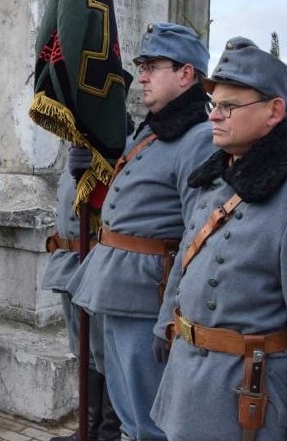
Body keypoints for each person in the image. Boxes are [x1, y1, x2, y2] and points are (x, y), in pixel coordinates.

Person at [151, 38, 287, 440]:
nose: (214, 116)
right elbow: (187, 257)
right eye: (214, 104)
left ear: (274, 111)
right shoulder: (215, 177)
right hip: (188, 389)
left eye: (229, 106)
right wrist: (167, 324)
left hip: (247, 409)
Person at [66, 22, 216, 440]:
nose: (142, 75)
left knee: (151, 423)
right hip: (116, 287)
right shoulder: (150, 131)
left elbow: (196, 236)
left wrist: (169, 315)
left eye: (153, 66)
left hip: (148, 296)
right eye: (141, 66)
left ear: (186, 75)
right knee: (130, 416)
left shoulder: (199, 139)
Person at [41, 162, 122, 441]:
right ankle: (87, 429)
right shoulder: (76, 150)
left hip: (96, 265)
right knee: (82, 349)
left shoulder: (112, 150)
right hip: (69, 262)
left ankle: (107, 433)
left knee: (103, 353)